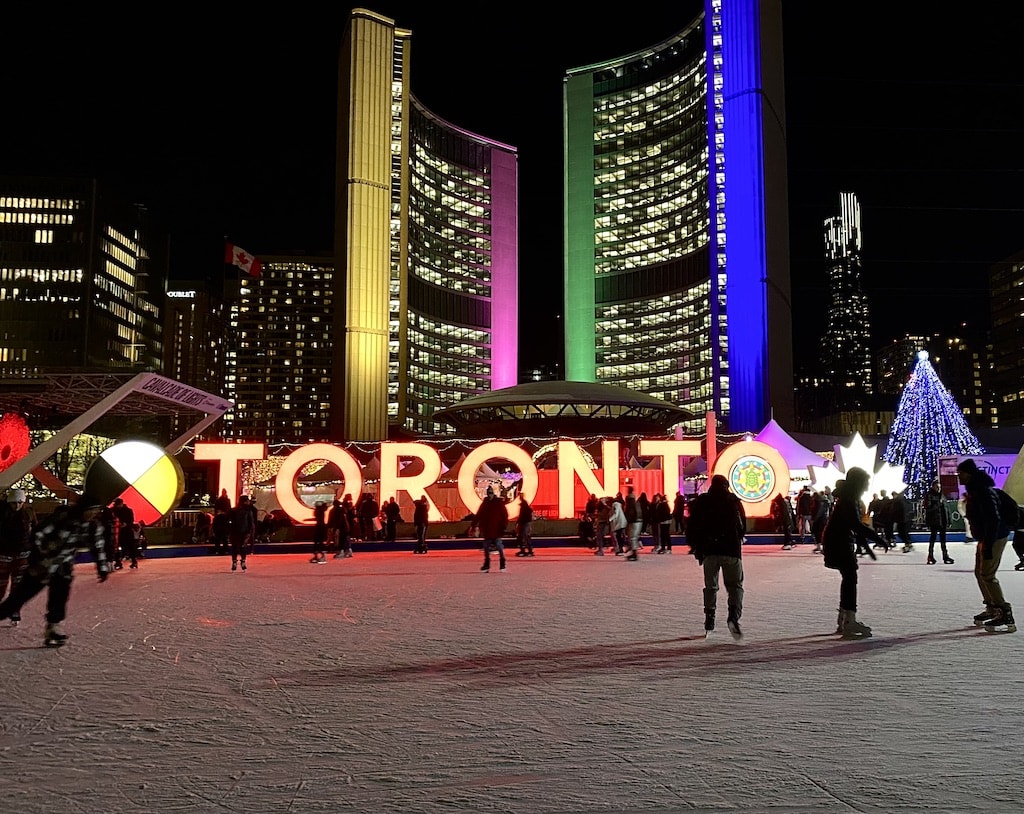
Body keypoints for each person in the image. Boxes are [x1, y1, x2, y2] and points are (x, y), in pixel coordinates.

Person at [0, 492, 109, 646]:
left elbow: (98, 546)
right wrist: (39, 554)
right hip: (42, 565)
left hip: (62, 567)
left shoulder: (92, 526)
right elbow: (38, 533)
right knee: (18, 598)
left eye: (96, 511)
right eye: (91, 510)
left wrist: (102, 567)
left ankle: (54, 627)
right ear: (83, 509)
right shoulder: (63, 517)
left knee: (60, 596)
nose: (94, 514)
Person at [822, 467, 885, 639]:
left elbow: (853, 525)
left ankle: (844, 619)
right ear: (857, 482)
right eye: (865, 482)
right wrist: (877, 539)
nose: (866, 486)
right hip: (839, 542)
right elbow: (855, 525)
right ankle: (849, 620)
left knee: (849, 577)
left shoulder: (848, 497)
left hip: (838, 540)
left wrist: (868, 546)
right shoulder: (850, 499)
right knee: (850, 578)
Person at [957, 458, 1016, 632]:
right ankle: (992, 607)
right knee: (980, 573)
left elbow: (993, 519)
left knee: (987, 575)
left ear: (968, 474)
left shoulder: (984, 492)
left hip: (995, 537)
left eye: (960, 473)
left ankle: (1004, 611)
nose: (958, 477)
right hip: (986, 538)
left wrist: (989, 544)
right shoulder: (975, 491)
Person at [686, 474, 746, 638]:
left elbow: (692, 526)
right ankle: (733, 616)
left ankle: (709, 619)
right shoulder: (733, 501)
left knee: (711, 586)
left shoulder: (702, 501)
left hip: (710, 550)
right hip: (731, 550)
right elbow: (742, 527)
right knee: (735, 586)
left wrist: (696, 547)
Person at [0, 489, 35, 627]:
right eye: (14, 503)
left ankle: (14, 610)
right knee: (1, 585)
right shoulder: (2, 514)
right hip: (4, 554)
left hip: (23, 554)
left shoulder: (28, 514)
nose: (17, 505)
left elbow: (34, 531)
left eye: (20, 502)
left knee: (17, 585)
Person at [476, 491, 509, 572]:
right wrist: (474, 525)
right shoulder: (486, 503)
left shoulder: (498, 503)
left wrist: (504, 526)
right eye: (489, 493)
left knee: (498, 546)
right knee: (487, 547)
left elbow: (504, 515)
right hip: (488, 530)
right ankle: (487, 564)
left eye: (491, 493)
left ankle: (502, 563)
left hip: (496, 529)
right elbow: (479, 514)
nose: (490, 495)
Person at [924, 480, 953, 564]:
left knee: (943, 540)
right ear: (933, 487)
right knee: (933, 539)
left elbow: (947, 509)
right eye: (937, 487)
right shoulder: (929, 495)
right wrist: (937, 504)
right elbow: (928, 509)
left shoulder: (942, 496)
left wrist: (949, 520)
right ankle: (930, 555)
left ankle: (945, 556)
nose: (938, 489)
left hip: (942, 521)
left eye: (939, 487)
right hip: (934, 521)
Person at [111, 497, 139, 569]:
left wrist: (126, 524)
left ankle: (133, 561)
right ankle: (118, 562)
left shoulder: (128, 511)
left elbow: (131, 520)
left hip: (126, 531)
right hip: (118, 531)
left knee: (130, 547)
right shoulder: (113, 510)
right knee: (117, 547)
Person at [229, 495, 255, 571]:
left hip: (239, 531)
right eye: (247, 501)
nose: (248, 502)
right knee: (241, 547)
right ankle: (240, 562)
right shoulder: (247, 511)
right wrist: (250, 531)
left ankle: (237, 562)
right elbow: (250, 522)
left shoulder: (234, 510)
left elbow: (230, 521)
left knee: (237, 547)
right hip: (242, 531)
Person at [623, 485, 644, 561]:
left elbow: (630, 512)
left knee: (632, 537)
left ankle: (634, 554)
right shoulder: (635, 501)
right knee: (633, 537)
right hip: (637, 520)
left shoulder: (630, 501)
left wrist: (628, 520)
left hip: (634, 521)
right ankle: (633, 553)